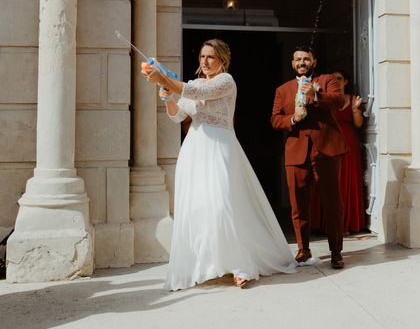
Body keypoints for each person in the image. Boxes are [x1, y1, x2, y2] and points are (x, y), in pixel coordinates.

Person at [143, 39, 296, 290]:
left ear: (222, 60)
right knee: (198, 208)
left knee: (223, 206)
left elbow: (198, 94)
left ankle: (240, 265)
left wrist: (164, 80)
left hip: (220, 148)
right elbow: (178, 115)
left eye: (211, 57)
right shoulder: (193, 84)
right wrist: (167, 95)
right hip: (195, 148)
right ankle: (206, 265)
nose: (205, 62)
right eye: (202, 56)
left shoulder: (226, 81)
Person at [271, 46, 347, 269]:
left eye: (306, 59)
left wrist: (316, 95)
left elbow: (339, 101)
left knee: (332, 203)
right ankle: (303, 249)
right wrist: (292, 119)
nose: (302, 62)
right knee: (298, 206)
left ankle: (336, 252)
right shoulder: (283, 89)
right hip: (296, 152)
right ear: (292, 64)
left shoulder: (327, 80)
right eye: (298, 59)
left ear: (314, 61)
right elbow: (275, 120)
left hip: (326, 150)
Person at [310, 70, 367, 234]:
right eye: (333, 79)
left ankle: (347, 223)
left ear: (345, 82)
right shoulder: (326, 99)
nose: (336, 81)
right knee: (331, 179)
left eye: (339, 79)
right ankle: (328, 224)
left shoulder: (352, 99)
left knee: (347, 180)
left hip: (349, 143)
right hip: (329, 140)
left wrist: (356, 109)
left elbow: (358, 124)